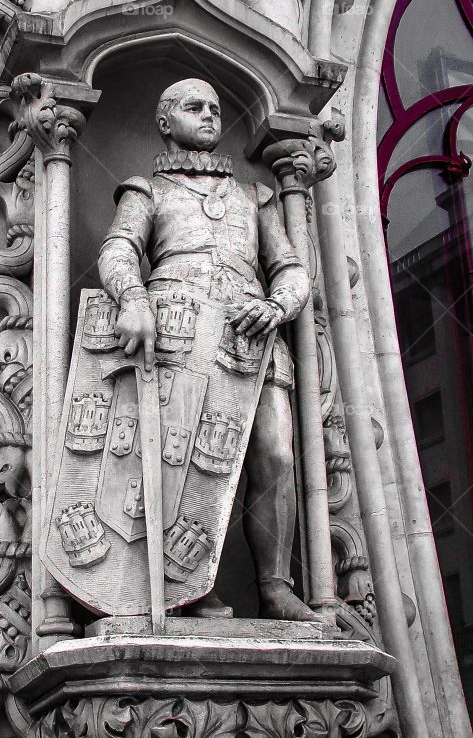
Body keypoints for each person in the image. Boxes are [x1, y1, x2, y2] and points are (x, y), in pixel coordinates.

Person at [97, 77, 315, 620]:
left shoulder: (254, 197)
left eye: (216, 108)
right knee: (182, 464)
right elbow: (119, 250)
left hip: (252, 337)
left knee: (276, 456)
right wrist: (132, 298)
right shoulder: (146, 191)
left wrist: (279, 306)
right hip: (178, 339)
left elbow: (289, 269)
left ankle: (276, 586)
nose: (210, 115)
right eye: (194, 107)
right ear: (166, 122)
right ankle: (185, 587)